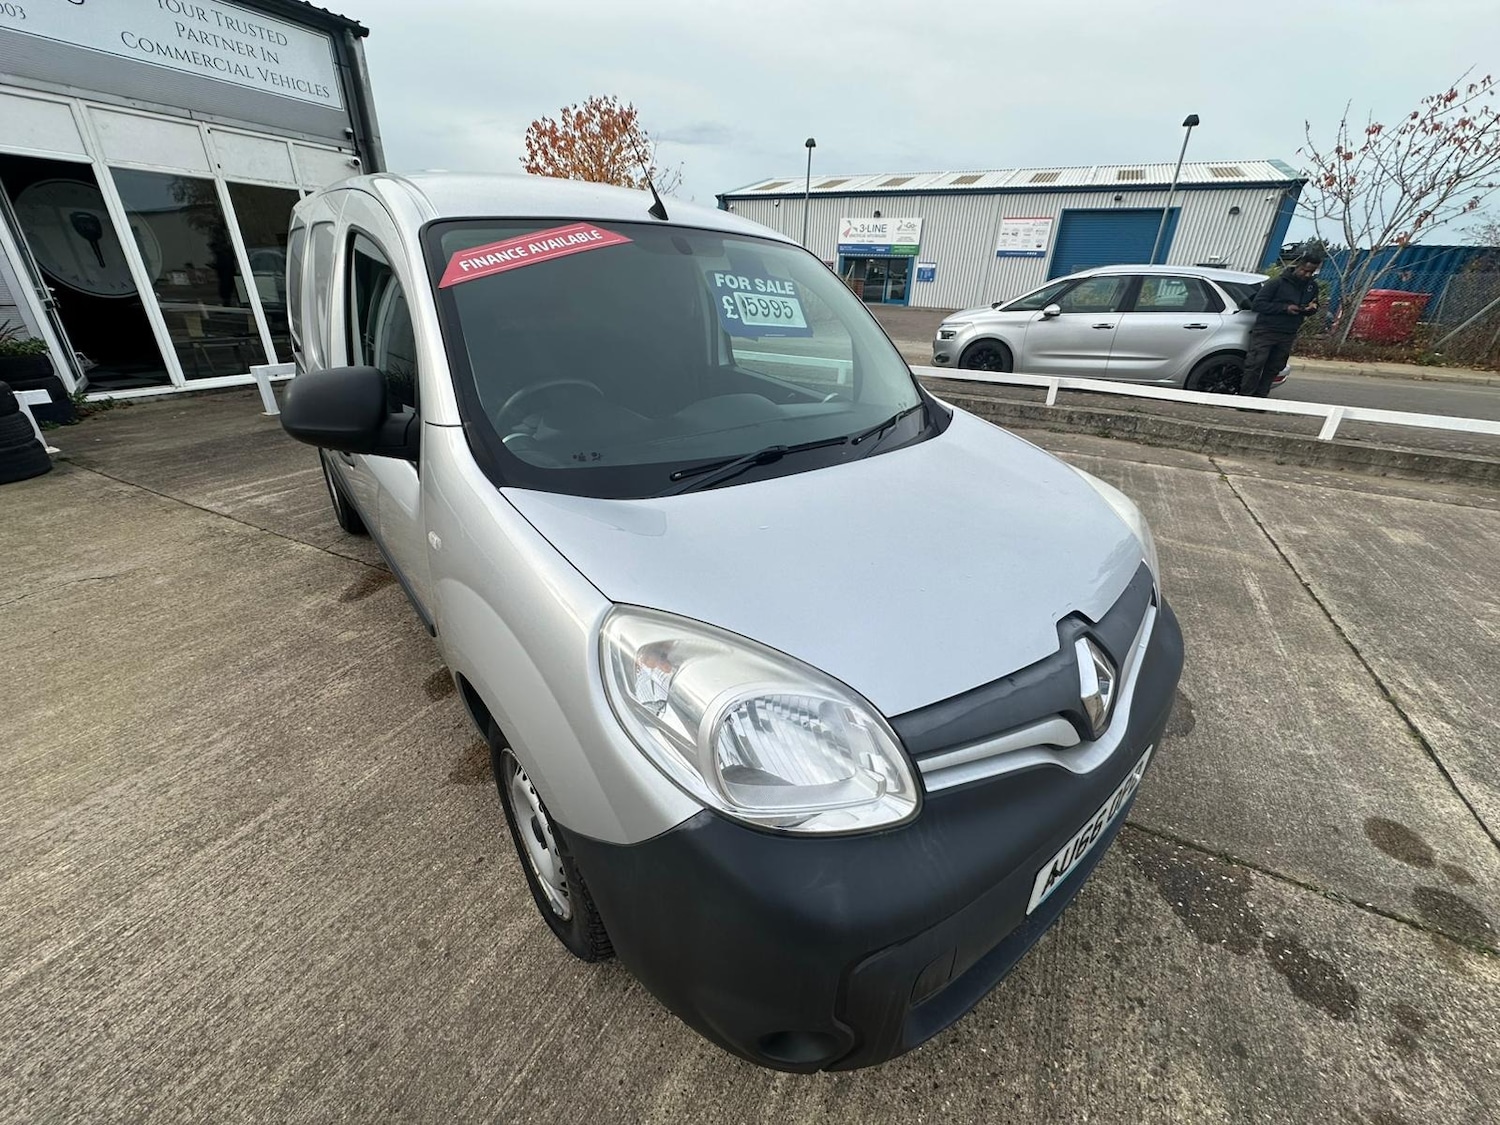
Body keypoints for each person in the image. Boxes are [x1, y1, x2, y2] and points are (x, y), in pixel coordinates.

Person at [1240, 251, 1322, 396]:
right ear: (1298, 266)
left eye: (1312, 272)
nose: (1307, 275)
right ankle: (1245, 398)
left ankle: (1260, 397)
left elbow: (1313, 304)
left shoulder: (1312, 287)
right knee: (1255, 364)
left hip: (1288, 333)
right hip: (1266, 331)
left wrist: (1311, 309)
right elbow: (1258, 305)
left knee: (1274, 367)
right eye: (1305, 270)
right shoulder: (1276, 283)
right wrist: (1285, 308)